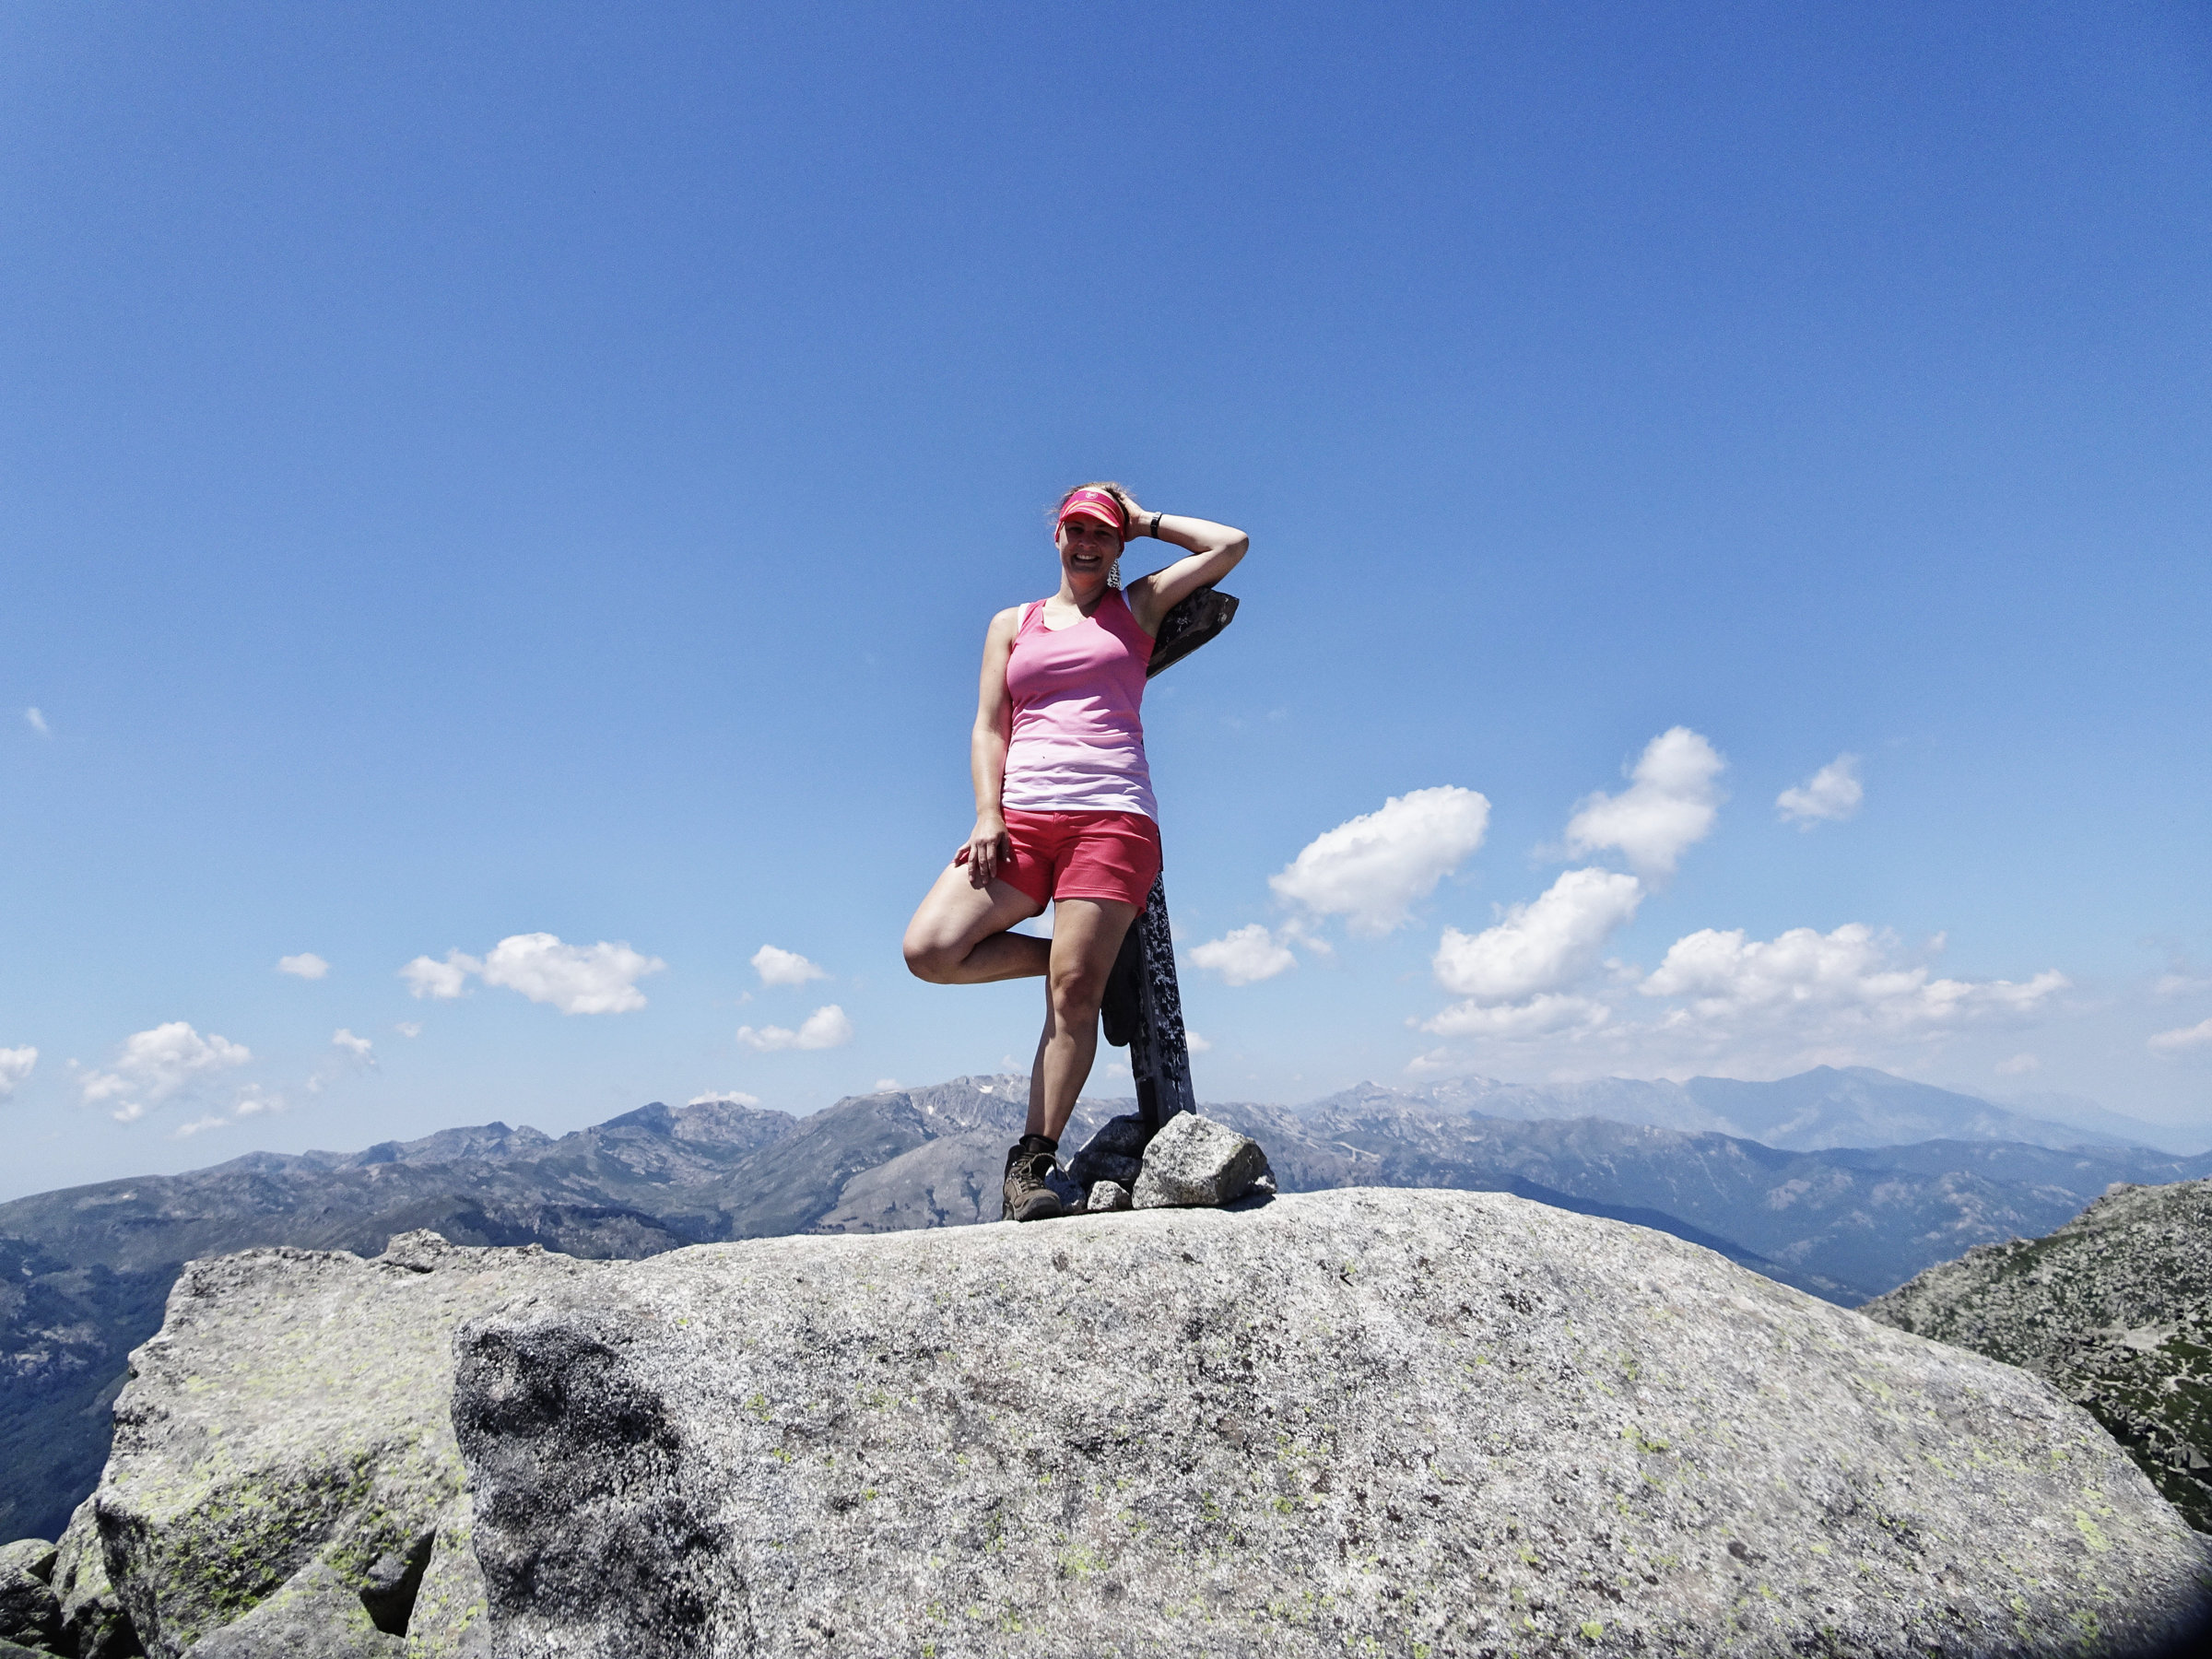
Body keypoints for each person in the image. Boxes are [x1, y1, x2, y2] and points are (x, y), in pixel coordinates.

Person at [902, 483, 1249, 1221]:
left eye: (1102, 533)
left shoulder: (1141, 606)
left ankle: (1032, 1162)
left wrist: (1146, 518)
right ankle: (1089, 956)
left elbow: (1231, 546)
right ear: (1055, 538)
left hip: (1113, 818)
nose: (1087, 543)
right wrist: (986, 813)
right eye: (1075, 530)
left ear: (1118, 544)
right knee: (930, 950)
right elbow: (990, 727)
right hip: (1019, 820)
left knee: (1072, 997)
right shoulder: (1013, 622)